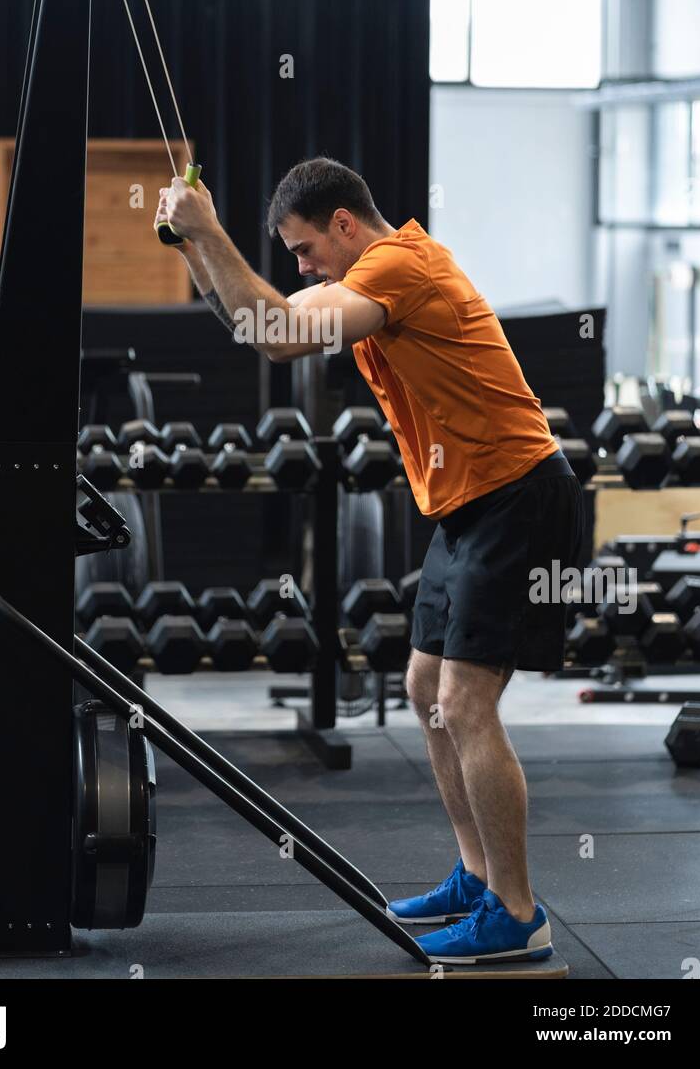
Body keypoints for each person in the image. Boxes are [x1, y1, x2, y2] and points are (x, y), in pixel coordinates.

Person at [155, 154, 583, 965]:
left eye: (306, 249)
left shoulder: (399, 267)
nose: (303, 266)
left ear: (345, 225)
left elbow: (279, 329)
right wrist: (194, 248)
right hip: (468, 504)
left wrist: (210, 229)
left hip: (520, 492)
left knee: (463, 702)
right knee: (425, 688)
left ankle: (517, 915)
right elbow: (267, 332)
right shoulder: (372, 275)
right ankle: (476, 873)